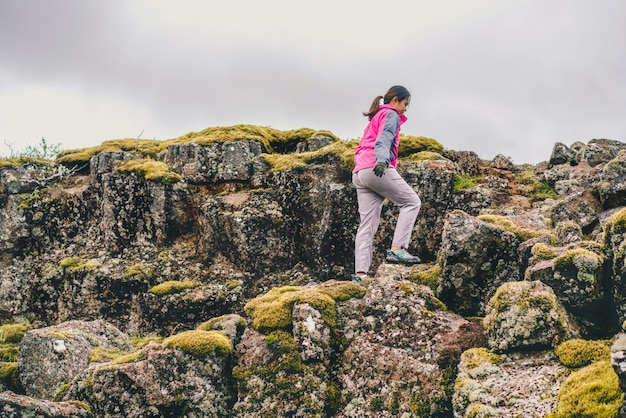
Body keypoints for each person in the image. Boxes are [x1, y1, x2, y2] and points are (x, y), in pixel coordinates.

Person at [351, 85, 422, 282]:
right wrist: (382, 161)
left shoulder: (375, 116)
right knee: (412, 202)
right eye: (405, 104)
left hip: (360, 172)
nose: (406, 109)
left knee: (367, 225)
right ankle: (398, 249)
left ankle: (361, 275)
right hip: (376, 167)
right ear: (395, 101)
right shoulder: (391, 114)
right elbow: (384, 139)